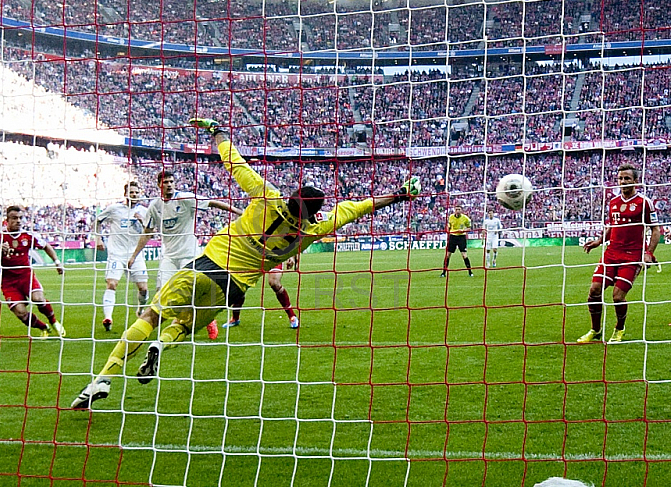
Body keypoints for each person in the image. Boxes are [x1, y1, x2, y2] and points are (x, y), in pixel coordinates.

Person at [70, 118, 420, 409]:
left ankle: (101, 380)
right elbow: (362, 207)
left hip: (206, 264)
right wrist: (402, 193)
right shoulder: (315, 229)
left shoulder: (267, 195)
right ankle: (161, 345)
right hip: (232, 288)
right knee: (183, 327)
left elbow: (233, 161)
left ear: (292, 195)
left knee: (150, 316)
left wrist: (216, 131)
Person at [126, 169, 243, 340]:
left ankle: (209, 321)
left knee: (192, 292)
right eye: (166, 182)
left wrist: (238, 212)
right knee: (162, 291)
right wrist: (134, 255)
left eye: (171, 182)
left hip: (189, 255)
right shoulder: (154, 206)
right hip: (169, 256)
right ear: (160, 185)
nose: (169, 185)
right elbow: (147, 232)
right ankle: (156, 325)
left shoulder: (186, 198)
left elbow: (213, 203)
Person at [577, 163, 660, 344]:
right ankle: (595, 330)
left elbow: (655, 230)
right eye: (620, 178)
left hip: (632, 255)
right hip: (611, 253)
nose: (623, 181)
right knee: (594, 290)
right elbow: (611, 226)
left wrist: (648, 253)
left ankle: (619, 328)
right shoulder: (613, 203)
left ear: (636, 181)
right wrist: (599, 241)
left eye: (627, 178)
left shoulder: (644, 203)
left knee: (617, 296)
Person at [0, 205, 65, 339]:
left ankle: (54, 322)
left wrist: (57, 262)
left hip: (26, 276)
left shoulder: (28, 235)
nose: (18, 221)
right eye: (14, 218)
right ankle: (43, 327)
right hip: (8, 282)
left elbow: (46, 246)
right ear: (6, 220)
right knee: (21, 313)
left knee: (38, 299)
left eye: (20, 218)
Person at [94, 181, 149, 332]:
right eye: (131, 192)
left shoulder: (144, 211)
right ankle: (108, 317)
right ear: (125, 194)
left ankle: (140, 309)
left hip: (135, 254)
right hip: (116, 254)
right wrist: (98, 239)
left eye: (136, 192)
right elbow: (98, 220)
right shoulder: (114, 209)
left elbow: (151, 230)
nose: (134, 195)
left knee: (143, 288)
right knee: (112, 284)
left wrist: (142, 221)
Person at [223, 254, 300, 329]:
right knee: (240, 283)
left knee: (274, 283)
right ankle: (235, 318)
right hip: (254, 255)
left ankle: (292, 316)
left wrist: (292, 256)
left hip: (273, 255)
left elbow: (292, 242)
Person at [441, 204, 473, 277]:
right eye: (456, 209)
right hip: (453, 237)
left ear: (461, 210)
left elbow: (469, 228)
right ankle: (443, 272)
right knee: (448, 255)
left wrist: (463, 230)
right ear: (454, 210)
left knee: (464, 255)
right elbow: (448, 227)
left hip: (461, 237)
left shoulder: (465, 218)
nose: (457, 211)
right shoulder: (451, 217)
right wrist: (448, 232)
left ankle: (470, 272)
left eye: (459, 209)